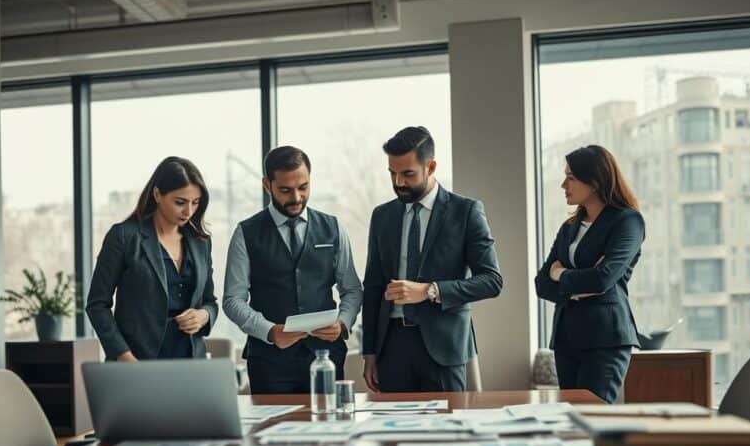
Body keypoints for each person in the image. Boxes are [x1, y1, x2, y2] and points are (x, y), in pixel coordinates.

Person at [361, 126, 503, 393]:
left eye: (408, 174)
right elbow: (373, 287)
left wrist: (430, 291)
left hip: (445, 347)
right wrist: (370, 352)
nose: (398, 182)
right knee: (394, 432)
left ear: (431, 166)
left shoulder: (466, 212)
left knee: (449, 431)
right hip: (392, 347)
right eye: (392, 173)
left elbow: (492, 281)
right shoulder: (382, 216)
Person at [222, 145, 362, 394]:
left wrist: (343, 323)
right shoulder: (246, 233)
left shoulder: (333, 227)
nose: (296, 197)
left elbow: (351, 289)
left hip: (326, 358)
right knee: (270, 431)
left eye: (303, 187)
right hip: (269, 362)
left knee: (329, 429)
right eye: (286, 190)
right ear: (267, 185)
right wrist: (269, 331)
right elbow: (233, 300)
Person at [534, 144, 644, 404]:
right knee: (571, 419)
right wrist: (583, 282)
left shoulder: (627, 222)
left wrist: (561, 275)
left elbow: (603, 278)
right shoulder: (569, 227)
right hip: (566, 338)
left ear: (594, 181)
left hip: (605, 339)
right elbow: (541, 284)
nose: (563, 184)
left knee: (595, 417)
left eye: (571, 177)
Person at [86, 157, 218, 361]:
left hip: (190, 362)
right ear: (157, 194)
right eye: (180, 202)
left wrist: (204, 316)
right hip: (136, 361)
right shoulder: (124, 236)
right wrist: (124, 356)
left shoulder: (201, 242)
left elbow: (209, 302)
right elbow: (97, 305)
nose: (189, 212)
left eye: (196, 203)